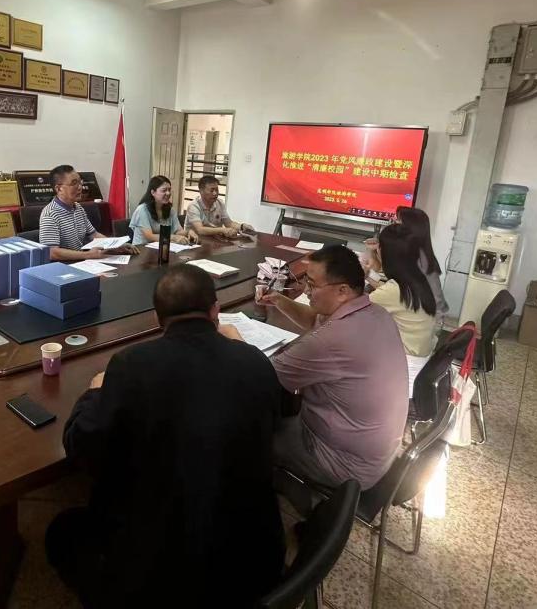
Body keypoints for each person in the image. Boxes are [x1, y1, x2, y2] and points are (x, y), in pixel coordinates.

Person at [46, 264, 284, 608]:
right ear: (215, 311)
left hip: (160, 582)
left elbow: (81, 447)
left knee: (61, 532)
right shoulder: (254, 360)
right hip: (254, 564)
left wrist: (95, 393)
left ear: (157, 319)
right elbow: (271, 421)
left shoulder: (130, 365)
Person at [258, 245, 407, 496]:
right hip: (377, 454)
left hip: (343, 465)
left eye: (312, 285)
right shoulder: (374, 313)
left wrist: (232, 336)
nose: (306, 291)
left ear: (342, 290)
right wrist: (279, 301)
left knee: (249, 433)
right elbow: (314, 321)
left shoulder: (335, 338)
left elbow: (261, 374)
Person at [364, 206, 448, 322]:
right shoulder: (410, 253)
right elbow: (380, 271)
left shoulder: (418, 259)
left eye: (398, 221)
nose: (393, 223)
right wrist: (374, 251)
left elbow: (395, 292)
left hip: (428, 319)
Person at [39, 165, 134, 261]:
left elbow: (93, 235)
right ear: (59, 189)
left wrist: (116, 245)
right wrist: (88, 255)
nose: (80, 187)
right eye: (74, 183)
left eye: (80, 182)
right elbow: (51, 252)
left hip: (82, 262)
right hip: (63, 266)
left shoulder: (78, 208)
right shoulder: (49, 214)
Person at [368, 223, 437, 357]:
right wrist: (368, 275)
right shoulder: (417, 278)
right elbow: (390, 294)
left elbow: (354, 307)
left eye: (379, 247)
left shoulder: (393, 291)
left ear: (383, 252)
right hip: (421, 354)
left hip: (405, 360)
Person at [128, 175, 198, 247]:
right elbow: (149, 236)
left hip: (162, 248)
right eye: (164, 190)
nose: (168, 193)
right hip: (142, 249)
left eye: (169, 190)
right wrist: (173, 237)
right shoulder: (142, 210)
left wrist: (188, 232)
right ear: (153, 192)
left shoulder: (170, 209)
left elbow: (177, 231)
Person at [184, 175, 253, 238]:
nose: (215, 193)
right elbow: (200, 230)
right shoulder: (193, 206)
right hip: (196, 242)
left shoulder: (220, 203)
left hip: (214, 241)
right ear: (201, 191)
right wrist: (222, 230)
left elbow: (229, 223)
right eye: (212, 190)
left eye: (216, 190)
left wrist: (242, 226)